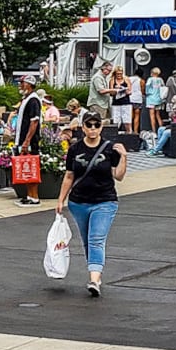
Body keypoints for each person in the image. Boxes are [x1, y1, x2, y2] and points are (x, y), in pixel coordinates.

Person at [56, 111, 127, 298]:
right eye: (89, 125)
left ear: (101, 127)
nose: (93, 129)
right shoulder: (75, 149)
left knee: (96, 239)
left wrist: (124, 157)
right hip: (79, 202)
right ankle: (95, 272)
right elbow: (69, 175)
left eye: (97, 125)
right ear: (83, 127)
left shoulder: (110, 149)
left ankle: (94, 279)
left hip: (105, 201)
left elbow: (118, 175)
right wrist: (61, 199)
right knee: (88, 241)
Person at [10, 75, 46, 206]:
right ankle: (29, 195)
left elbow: (34, 121)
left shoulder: (33, 100)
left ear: (29, 84)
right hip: (22, 139)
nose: (20, 85)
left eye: (22, 83)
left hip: (30, 141)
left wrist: (27, 141)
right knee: (26, 167)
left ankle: (34, 196)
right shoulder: (26, 99)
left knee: (32, 166)